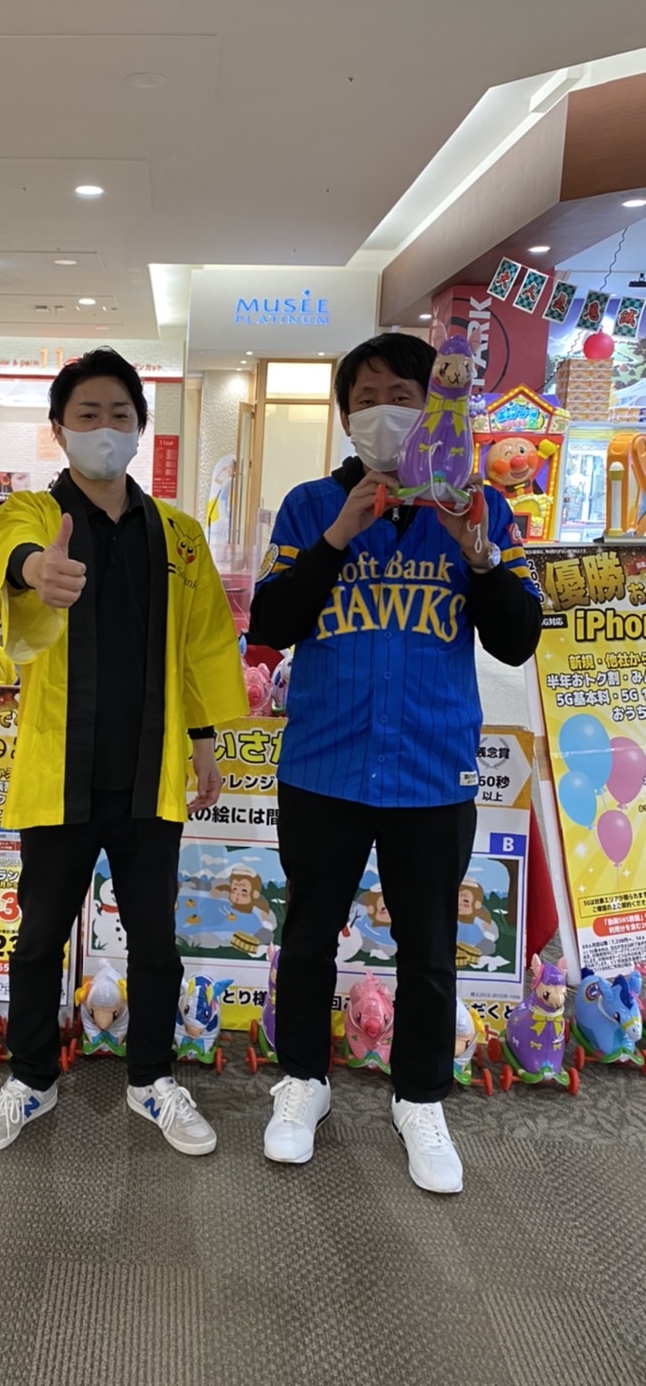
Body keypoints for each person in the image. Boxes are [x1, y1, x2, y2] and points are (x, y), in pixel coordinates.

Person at [249, 332, 541, 1195]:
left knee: (430, 947)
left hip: (431, 769)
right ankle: (303, 1083)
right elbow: (271, 621)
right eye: (367, 397)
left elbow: (518, 639)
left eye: (404, 396)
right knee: (308, 934)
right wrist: (337, 537)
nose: (386, 412)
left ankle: (420, 1099)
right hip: (323, 765)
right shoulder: (309, 505)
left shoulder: (483, 506)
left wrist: (479, 554)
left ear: (436, 407)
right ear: (345, 415)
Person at [0, 348, 247, 1157]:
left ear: (139, 427)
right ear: (58, 429)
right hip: (60, 773)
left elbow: (202, 644)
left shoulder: (178, 536)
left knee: (156, 940)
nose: (104, 427)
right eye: (86, 414)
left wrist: (204, 741)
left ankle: (151, 1077)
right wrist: (33, 569)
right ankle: (31, 1077)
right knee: (38, 937)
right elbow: (9, 547)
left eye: (119, 413)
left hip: (149, 777)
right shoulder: (33, 511)